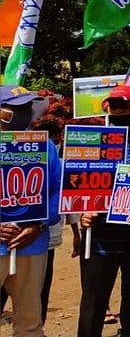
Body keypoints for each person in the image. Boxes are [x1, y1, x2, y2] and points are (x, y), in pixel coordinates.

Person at [78, 85, 130, 337]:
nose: (117, 110)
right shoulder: (92, 141)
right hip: (99, 238)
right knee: (93, 304)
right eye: (113, 105)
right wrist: (81, 212)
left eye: (123, 105)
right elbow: (75, 181)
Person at [0, 85, 61, 337]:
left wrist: (39, 225)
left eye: (27, 107)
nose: (24, 112)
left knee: (30, 322)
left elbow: (57, 191)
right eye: (16, 108)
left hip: (32, 245)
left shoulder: (44, 146)